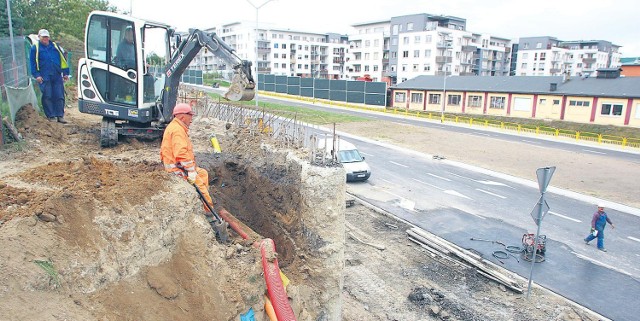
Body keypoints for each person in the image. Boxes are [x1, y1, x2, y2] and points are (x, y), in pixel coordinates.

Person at [160, 103, 215, 214]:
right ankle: (209, 215)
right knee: (203, 191)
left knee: (203, 173)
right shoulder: (177, 131)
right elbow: (181, 153)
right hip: (177, 170)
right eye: (190, 115)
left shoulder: (177, 127)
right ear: (182, 116)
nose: (192, 119)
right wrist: (191, 171)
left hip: (179, 166)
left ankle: (199, 201)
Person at [30, 29, 70, 123]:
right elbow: (32, 63)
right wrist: (37, 75)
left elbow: (63, 60)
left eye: (47, 36)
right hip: (44, 76)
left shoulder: (55, 46)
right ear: (39, 37)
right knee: (47, 96)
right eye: (43, 37)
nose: (45, 38)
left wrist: (65, 73)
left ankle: (60, 115)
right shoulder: (35, 48)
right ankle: (51, 116)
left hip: (56, 75)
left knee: (59, 95)